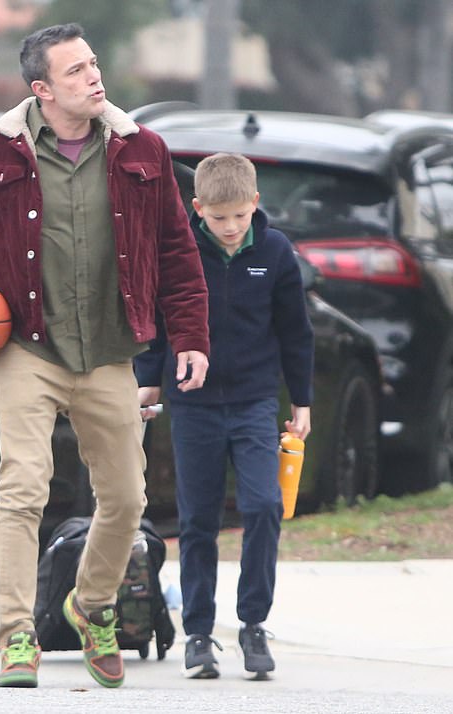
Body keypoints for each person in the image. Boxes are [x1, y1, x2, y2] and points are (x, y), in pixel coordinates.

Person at [0, 23, 209, 689]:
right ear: (41, 89)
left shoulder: (142, 149)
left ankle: (91, 605)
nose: (94, 77)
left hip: (109, 349)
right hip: (27, 347)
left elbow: (177, 250)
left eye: (94, 64)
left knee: (128, 500)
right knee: (22, 489)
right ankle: (18, 635)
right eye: (75, 71)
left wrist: (189, 336)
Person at [136, 152, 313, 679]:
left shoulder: (277, 252)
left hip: (256, 401)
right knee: (198, 519)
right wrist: (147, 382)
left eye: (239, 216)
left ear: (254, 204)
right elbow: (156, 321)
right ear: (197, 209)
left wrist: (301, 401)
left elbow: (295, 332)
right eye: (218, 218)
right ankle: (197, 633)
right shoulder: (179, 250)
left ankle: (254, 623)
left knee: (263, 507)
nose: (231, 228)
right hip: (193, 403)